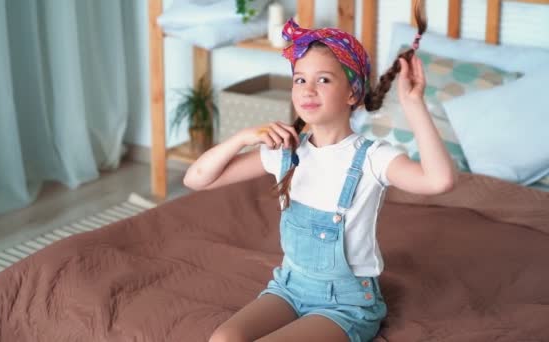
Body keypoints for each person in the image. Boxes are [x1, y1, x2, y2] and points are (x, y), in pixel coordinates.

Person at [183, 2, 457, 341]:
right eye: (300, 79)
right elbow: (195, 179)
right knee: (223, 339)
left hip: (346, 304)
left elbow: (439, 180)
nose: (308, 89)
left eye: (323, 79)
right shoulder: (284, 153)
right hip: (289, 287)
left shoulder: (373, 158)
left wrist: (414, 104)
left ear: (353, 93)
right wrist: (241, 137)